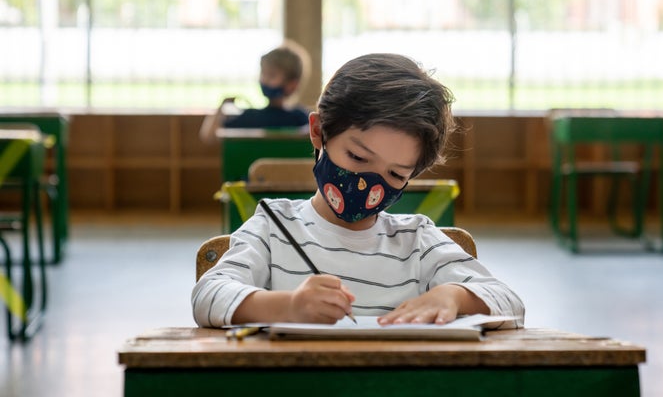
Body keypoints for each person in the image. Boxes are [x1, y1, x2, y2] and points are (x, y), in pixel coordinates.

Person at [192, 53, 524, 328]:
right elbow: (208, 295)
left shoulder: (417, 240)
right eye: (358, 157)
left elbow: (510, 303)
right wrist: (287, 306)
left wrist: (452, 296)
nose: (369, 186)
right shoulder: (272, 226)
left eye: (395, 173)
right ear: (319, 131)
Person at [199, 41, 310, 142]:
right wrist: (222, 106)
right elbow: (208, 136)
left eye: (271, 75)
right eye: (263, 73)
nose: (264, 80)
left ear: (292, 84)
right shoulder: (250, 117)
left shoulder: (301, 118)